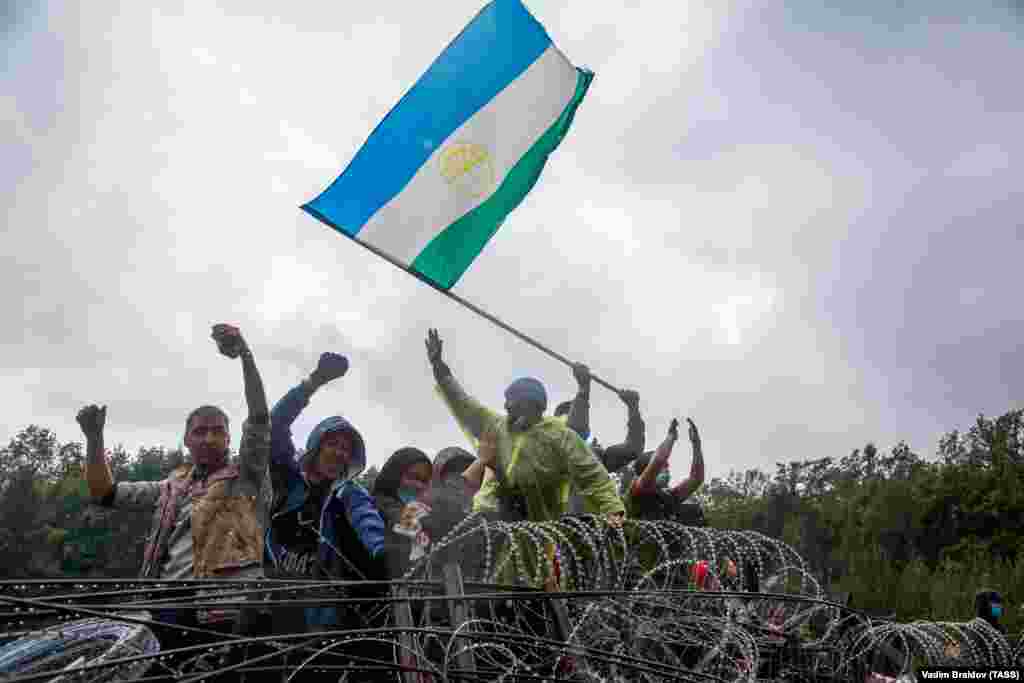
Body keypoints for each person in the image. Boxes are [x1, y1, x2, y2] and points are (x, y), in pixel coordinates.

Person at [77, 324, 270, 659]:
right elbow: (104, 492)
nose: (209, 438)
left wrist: (246, 356)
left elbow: (259, 417)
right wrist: (94, 439)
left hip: (226, 614)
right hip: (164, 607)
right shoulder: (171, 485)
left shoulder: (246, 475)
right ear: (186, 439)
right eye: (200, 432)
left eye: (218, 432)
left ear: (228, 438)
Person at [425, 328, 624, 589]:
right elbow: (465, 405)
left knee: (529, 583)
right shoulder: (498, 427)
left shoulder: (559, 436)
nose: (505, 407)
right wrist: (440, 368)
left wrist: (613, 510)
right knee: (488, 582)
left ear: (530, 404)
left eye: (511, 402)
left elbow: (592, 473)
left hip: (538, 525)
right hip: (495, 515)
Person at [264, 352, 389, 631]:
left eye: (347, 449)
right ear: (316, 447)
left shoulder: (349, 492)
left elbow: (367, 519)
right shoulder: (289, 479)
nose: (340, 453)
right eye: (333, 443)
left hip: (316, 611)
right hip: (266, 597)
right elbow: (274, 425)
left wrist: (384, 551)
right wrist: (315, 381)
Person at [625, 418, 705, 522]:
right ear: (645, 470)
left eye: (667, 467)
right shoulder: (639, 488)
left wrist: (696, 445)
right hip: (643, 535)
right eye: (663, 467)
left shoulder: (668, 496)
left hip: (663, 535)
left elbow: (696, 479)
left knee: (692, 510)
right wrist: (671, 437)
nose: (667, 470)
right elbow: (658, 460)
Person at [372, 447, 436, 577]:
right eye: (412, 477)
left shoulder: (420, 508)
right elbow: (402, 524)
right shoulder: (376, 505)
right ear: (394, 475)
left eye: (424, 481)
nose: (418, 485)